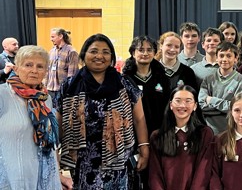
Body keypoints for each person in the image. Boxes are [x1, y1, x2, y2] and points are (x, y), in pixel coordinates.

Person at [60, 34, 150, 189]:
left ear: (112, 57)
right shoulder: (70, 85)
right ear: (84, 54)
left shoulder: (124, 84)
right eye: (93, 51)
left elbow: (139, 119)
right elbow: (59, 120)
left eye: (105, 52)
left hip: (118, 160)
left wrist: (144, 148)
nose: (99, 56)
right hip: (83, 161)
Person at [0, 45, 71, 189]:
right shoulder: (3, 95)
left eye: (40, 66)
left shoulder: (45, 99)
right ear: (16, 68)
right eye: (28, 65)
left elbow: (51, 142)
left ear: (46, 71)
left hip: (45, 177)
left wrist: (58, 173)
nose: (34, 70)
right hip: (14, 179)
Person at [148, 85, 214, 189]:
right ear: (170, 105)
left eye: (188, 101)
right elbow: (154, 174)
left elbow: (203, 171)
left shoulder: (204, 134)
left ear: (195, 106)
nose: (182, 105)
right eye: (178, 101)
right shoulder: (157, 136)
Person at [122, 36, 173, 135]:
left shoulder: (162, 78)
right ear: (133, 53)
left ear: (154, 53)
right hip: (133, 134)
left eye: (149, 50)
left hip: (159, 133)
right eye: (141, 50)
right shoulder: (125, 80)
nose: (145, 53)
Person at [199, 42, 242, 134]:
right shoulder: (208, 79)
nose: (225, 59)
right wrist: (225, 109)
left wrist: (212, 100)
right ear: (217, 58)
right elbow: (201, 105)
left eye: (229, 56)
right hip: (209, 130)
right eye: (221, 56)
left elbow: (237, 107)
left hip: (231, 131)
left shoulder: (241, 80)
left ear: (236, 59)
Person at [45, 28, 79, 106]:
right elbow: (47, 71)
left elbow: (72, 74)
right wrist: (44, 86)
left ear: (60, 36)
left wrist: (69, 91)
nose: (51, 39)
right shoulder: (51, 51)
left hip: (62, 90)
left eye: (53, 37)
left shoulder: (71, 51)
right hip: (50, 90)